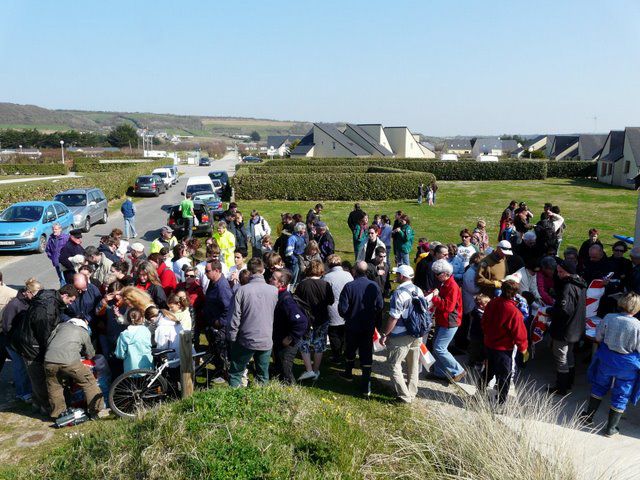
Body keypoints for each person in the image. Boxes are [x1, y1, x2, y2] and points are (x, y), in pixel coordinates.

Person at [11, 285, 79, 414]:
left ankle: (37, 403)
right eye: (70, 300)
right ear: (64, 295)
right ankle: (46, 407)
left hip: (29, 341)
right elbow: (44, 335)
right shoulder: (47, 310)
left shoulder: (50, 296)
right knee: (39, 379)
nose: (71, 304)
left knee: (38, 377)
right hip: (32, 347)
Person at [580, 293, 640, 437]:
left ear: (621, 303)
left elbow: (599, 337)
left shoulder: (608, 317)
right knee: (622, 394)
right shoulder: (638, 325)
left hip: (607, 360)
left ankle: (588, 417)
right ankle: (611, 429)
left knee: (599, 386)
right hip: (627, 365)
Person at [227, 258, 278, 387]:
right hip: (265, 338)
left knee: (236, 373)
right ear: (264, 270)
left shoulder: (242, 291)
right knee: (262, 375)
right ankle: (262, 404)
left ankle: (233, 402)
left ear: (248, 271)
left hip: (246, 339)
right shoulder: (273, 291)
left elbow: (234, 317)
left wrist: (232, 338)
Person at [44, 317, 107, 419]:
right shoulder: (83, 331)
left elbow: (49, 341)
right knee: (89, 382)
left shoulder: (60, 326)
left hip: (49, 360)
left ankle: (58, 414)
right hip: (70, 362)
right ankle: (95, 410)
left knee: (55, 387)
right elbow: (90, 353)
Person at [378, 265, 423, 404]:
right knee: (413, 364)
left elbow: (394, 317)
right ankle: (411, 392)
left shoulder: (399, 293)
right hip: (416, 332)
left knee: (394, 364)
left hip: (401, 334)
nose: (396, 276)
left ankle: (404, 396)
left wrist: (385, 333)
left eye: (397, 274)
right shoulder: (418, 290)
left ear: (402, 276)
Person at [480, 279, 529, 404]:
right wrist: (524, 350)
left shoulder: (492, 303)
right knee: (504, 376)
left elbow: (484, 322)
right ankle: (501, 401)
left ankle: (479, 394)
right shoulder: (514, 311)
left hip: (489, 344)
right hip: (504, 349)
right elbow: (519, 334)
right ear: (515, 293)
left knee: (487, 371)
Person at [338, 261, 384, 397]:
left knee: (350, 350)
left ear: (354, 271)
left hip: (352, 325)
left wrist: (348, 316)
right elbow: (380, 306)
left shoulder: (349, 286)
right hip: (368, 326)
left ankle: (348, 373)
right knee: (366, 354)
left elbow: (343, 309)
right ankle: (366, 385)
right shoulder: (374, 286)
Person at [547, 259, 587, 395]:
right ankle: (569, 382)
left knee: (561, 357)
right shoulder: (580, 283)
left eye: (561, 272)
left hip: (564, 329)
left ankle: (561, 388)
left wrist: (549, 311)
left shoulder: (568, 286)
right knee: (569, 355)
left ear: (569, 272)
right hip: (575, 328)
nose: (558, 274)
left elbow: (564, 310)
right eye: (557, 271)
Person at [296, 260, 335, 381]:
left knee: (304, 343)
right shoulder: (325, 284)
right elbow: (331, 301)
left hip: (306, 318)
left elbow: (296, 300)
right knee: (319, 344)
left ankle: (309, 370)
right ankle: (316, 370)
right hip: (322, 318)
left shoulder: (303, 284)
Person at [428, 259, 465, 382]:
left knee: (440, 348)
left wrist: (435, 299)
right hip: (443, 320)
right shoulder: (445, 284)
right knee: (436, 346)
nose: (436, 276)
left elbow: (448, 307)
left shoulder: (452, 286)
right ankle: (439, 372)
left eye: (437, 273)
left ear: (445, 273)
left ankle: (458, 370)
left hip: (450, 321)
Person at [270, 269, 309, 384]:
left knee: (285, 371)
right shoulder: (278, 295)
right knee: (279, 369)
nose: (270, 279)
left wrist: (290, 337)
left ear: (281, 283)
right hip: (279, 340)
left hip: (287, 343)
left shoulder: (286, 300)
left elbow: (301, 322)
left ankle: (291, 393)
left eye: (273, 278)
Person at [203, 259, 234, 376]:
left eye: (207, 271)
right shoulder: (213, 282)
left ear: (217, 270)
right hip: (211, 324)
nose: (205, 273)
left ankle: (224, 374)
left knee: (222, 352)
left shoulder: (222, 287)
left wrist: (219, 322)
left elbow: (229, 308)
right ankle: (219, 371)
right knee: (215, 351)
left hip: (220, 329)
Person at [323, 254, 354, 362]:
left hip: (333, 309)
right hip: (347, 309)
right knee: (344, 333)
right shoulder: (348, 275)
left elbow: (325, 295)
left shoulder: (327, 277)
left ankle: (337, 356)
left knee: (334, 334)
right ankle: (346, 354)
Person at [115, 309, 153, 373]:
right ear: (141, 319)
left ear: (127, 319)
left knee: (132, 382)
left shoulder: (124, 334)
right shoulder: (146, 331)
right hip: (147, 366)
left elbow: (120, 354)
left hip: (130, 368)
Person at [467, 293, 490, 370]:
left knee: (481, 349)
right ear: (481, 305)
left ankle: (478, 362)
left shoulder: (481, 312)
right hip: (476, 335)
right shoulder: (478, 314)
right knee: (475, 349)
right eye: (487, 303)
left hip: (480, 334)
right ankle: (472, 363)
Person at [285, 222, 307, 287]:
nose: (304, 230)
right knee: (293, 276)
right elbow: (288, 251)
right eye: (303, 229)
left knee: (299, 276)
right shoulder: (292, 238)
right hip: (295, 260)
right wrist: (294, 258)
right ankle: (290, 289)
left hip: (301, 259)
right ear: (299, 230)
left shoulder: (301, 237)